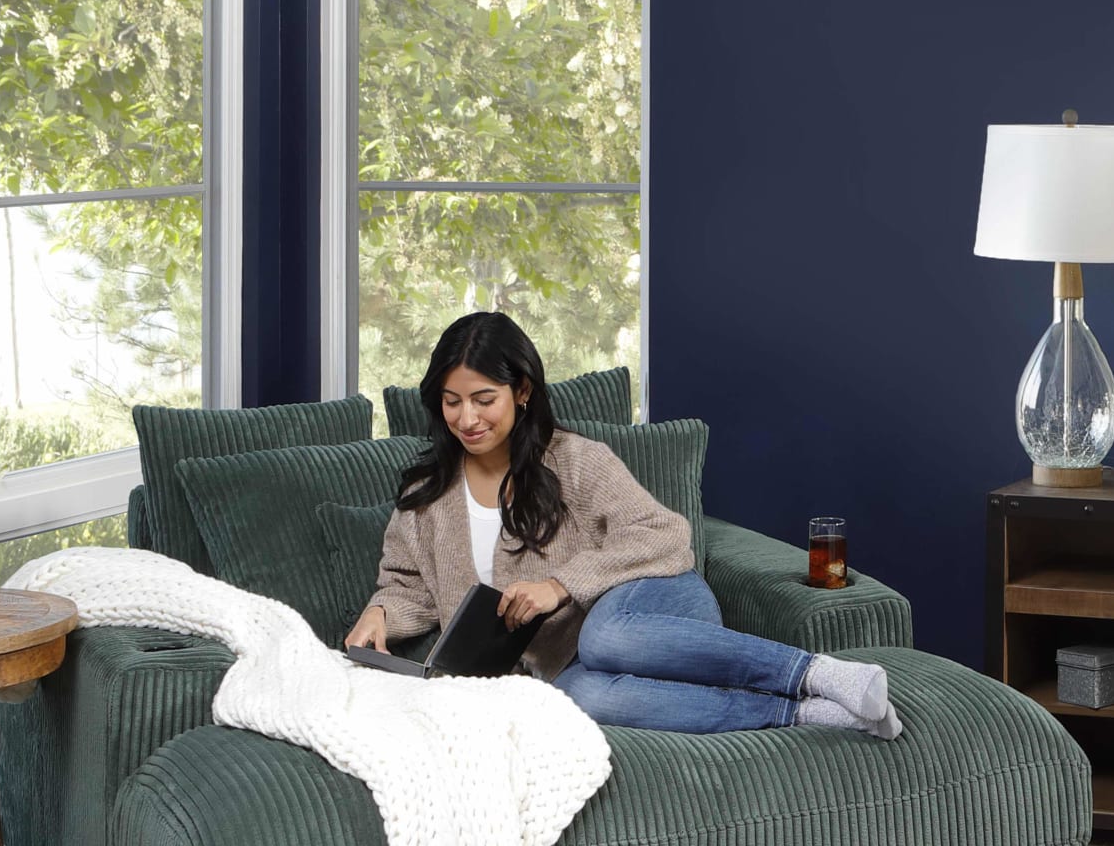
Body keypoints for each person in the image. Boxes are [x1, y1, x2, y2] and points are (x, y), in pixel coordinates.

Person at [343, 312, 902, 738]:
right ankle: (803, 711)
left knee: (605, 635)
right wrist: (381, 614)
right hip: (566, 662)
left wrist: (559, 586)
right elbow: (405, 582)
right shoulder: (426, 497)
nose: (467, 419)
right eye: (452, 402)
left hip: (654, 602)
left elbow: (666, 536)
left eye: (484, 399)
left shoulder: (575, 461)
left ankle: (818, 672)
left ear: (522, 391)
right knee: (580, 699)